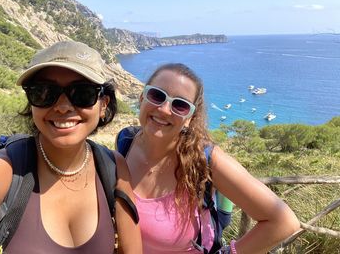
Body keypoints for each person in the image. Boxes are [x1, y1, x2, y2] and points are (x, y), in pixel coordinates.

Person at [117, 63, 300, 254]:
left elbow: (284, 222)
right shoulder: (125, 141)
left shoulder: (205, 159)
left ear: (190, 117)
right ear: (142, 98)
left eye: (180, 105)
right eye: (157, 95)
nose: (164, 109)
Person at [0, 41, 142, 254]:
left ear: (103, 105)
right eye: (45, 92)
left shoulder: (114, 167)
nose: (63, 106)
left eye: (83, 93)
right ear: (31, 104)